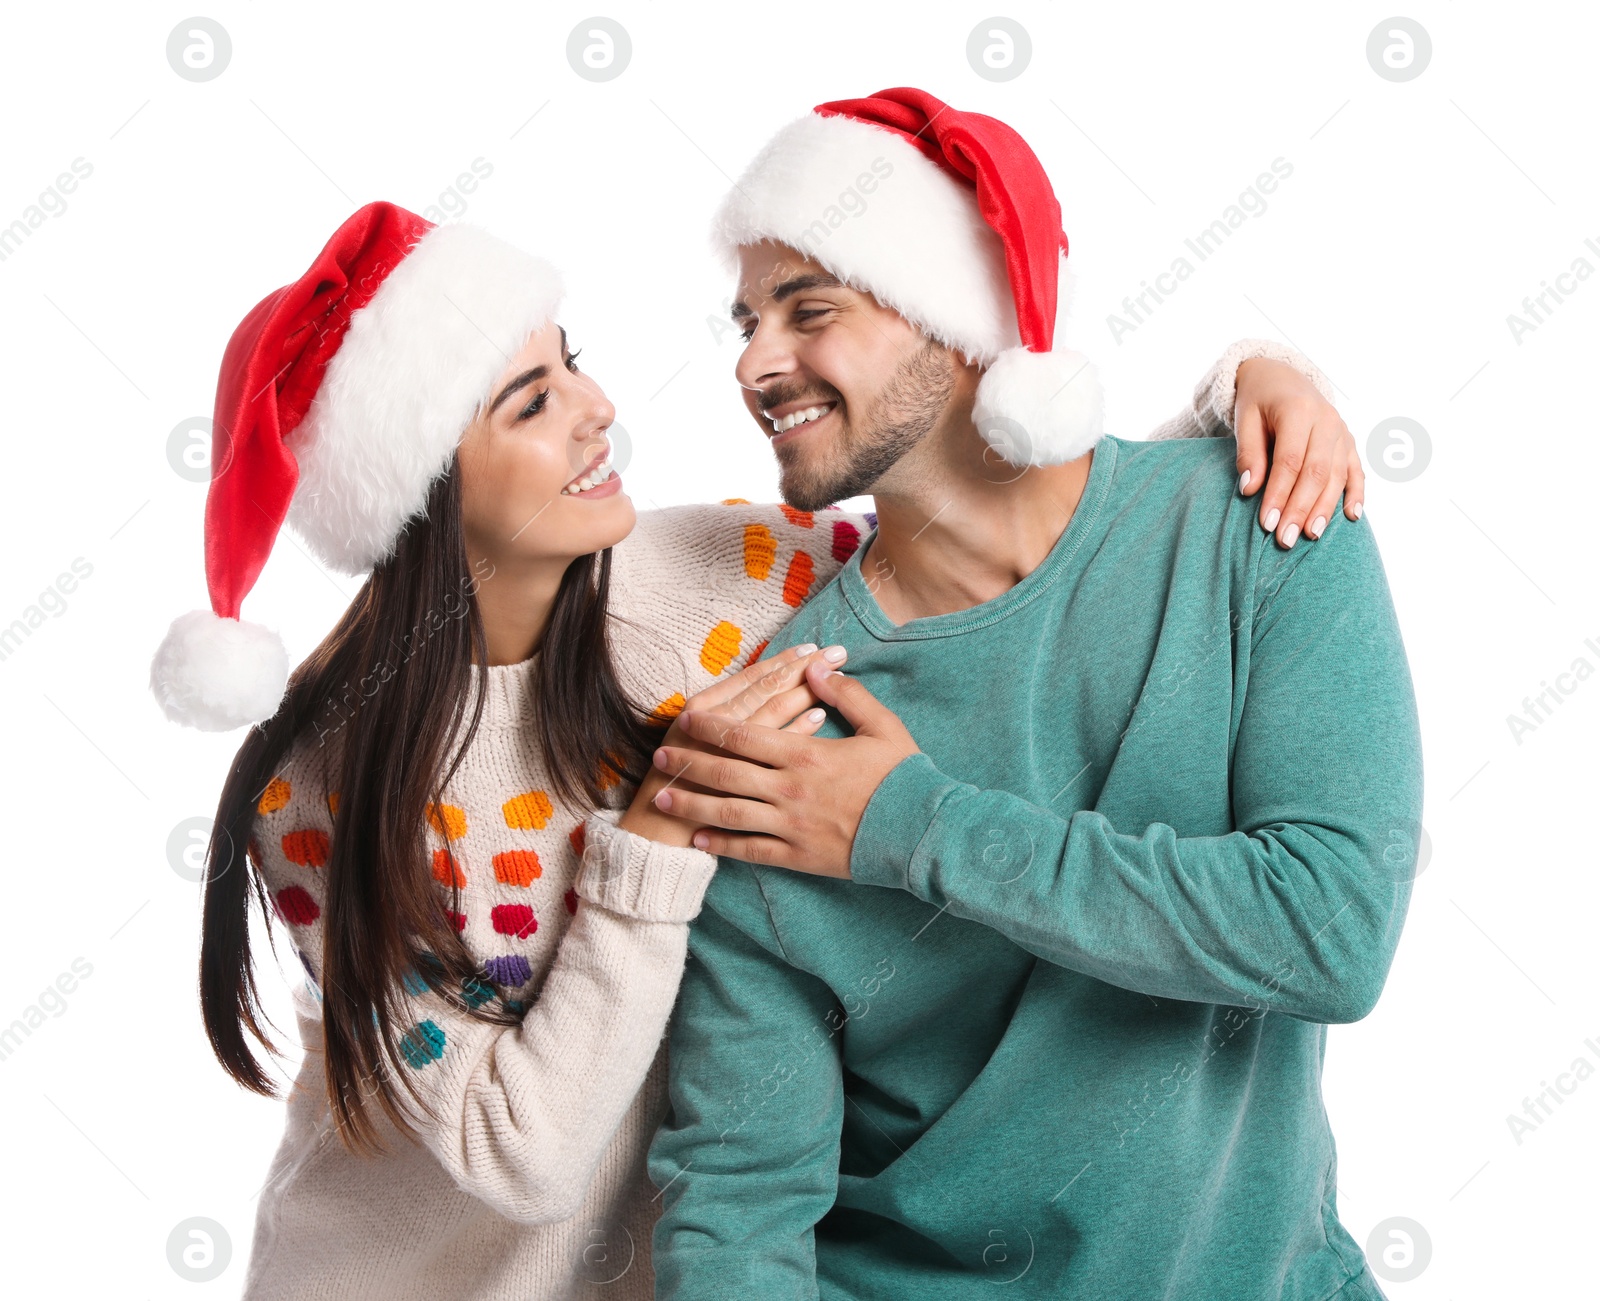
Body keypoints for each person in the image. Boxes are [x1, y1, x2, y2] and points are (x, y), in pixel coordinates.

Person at [147, 195, 1357, 1297]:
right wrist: (660, 829)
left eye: (572, 367)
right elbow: (524, 1154)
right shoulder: (321, 781)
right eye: (532, 404)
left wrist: (1248, 405)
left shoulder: (739, 579)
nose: (598, 411)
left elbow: (1002, 548)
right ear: (420, 493)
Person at [644, 89, 1422, 1301]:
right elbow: (739, 1199)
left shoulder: (1259, 515)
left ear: (953, 326)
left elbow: (1330, 929)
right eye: (746, 320)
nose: (753, 361)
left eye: (811, 310)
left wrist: (910, 825)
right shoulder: (782, 735)